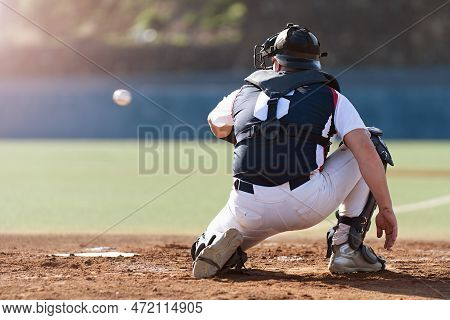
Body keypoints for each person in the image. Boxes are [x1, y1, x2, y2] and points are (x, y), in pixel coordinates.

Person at [191, 24, 398, 278]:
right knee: (372, 143)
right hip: (305, 203)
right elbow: (365, 150)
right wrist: (386, 209)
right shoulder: (330, 96)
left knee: (204, 248)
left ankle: (222, 248)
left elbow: (217, 124)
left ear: (276, 63)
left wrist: (253, 137)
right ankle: (347, 247)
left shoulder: (243, 93)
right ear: (314, 64)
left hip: (246, 205)